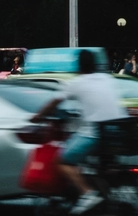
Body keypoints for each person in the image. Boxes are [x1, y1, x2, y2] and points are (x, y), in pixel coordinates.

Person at [30, 49, 128, 214]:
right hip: (118, 132)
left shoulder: (78, 82)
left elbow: (54, 103)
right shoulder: (107, 78)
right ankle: (104, 193)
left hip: (96, 133)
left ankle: (87, 194)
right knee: (100, 164)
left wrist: (37, 117)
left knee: (63, 161)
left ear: (79, 66)